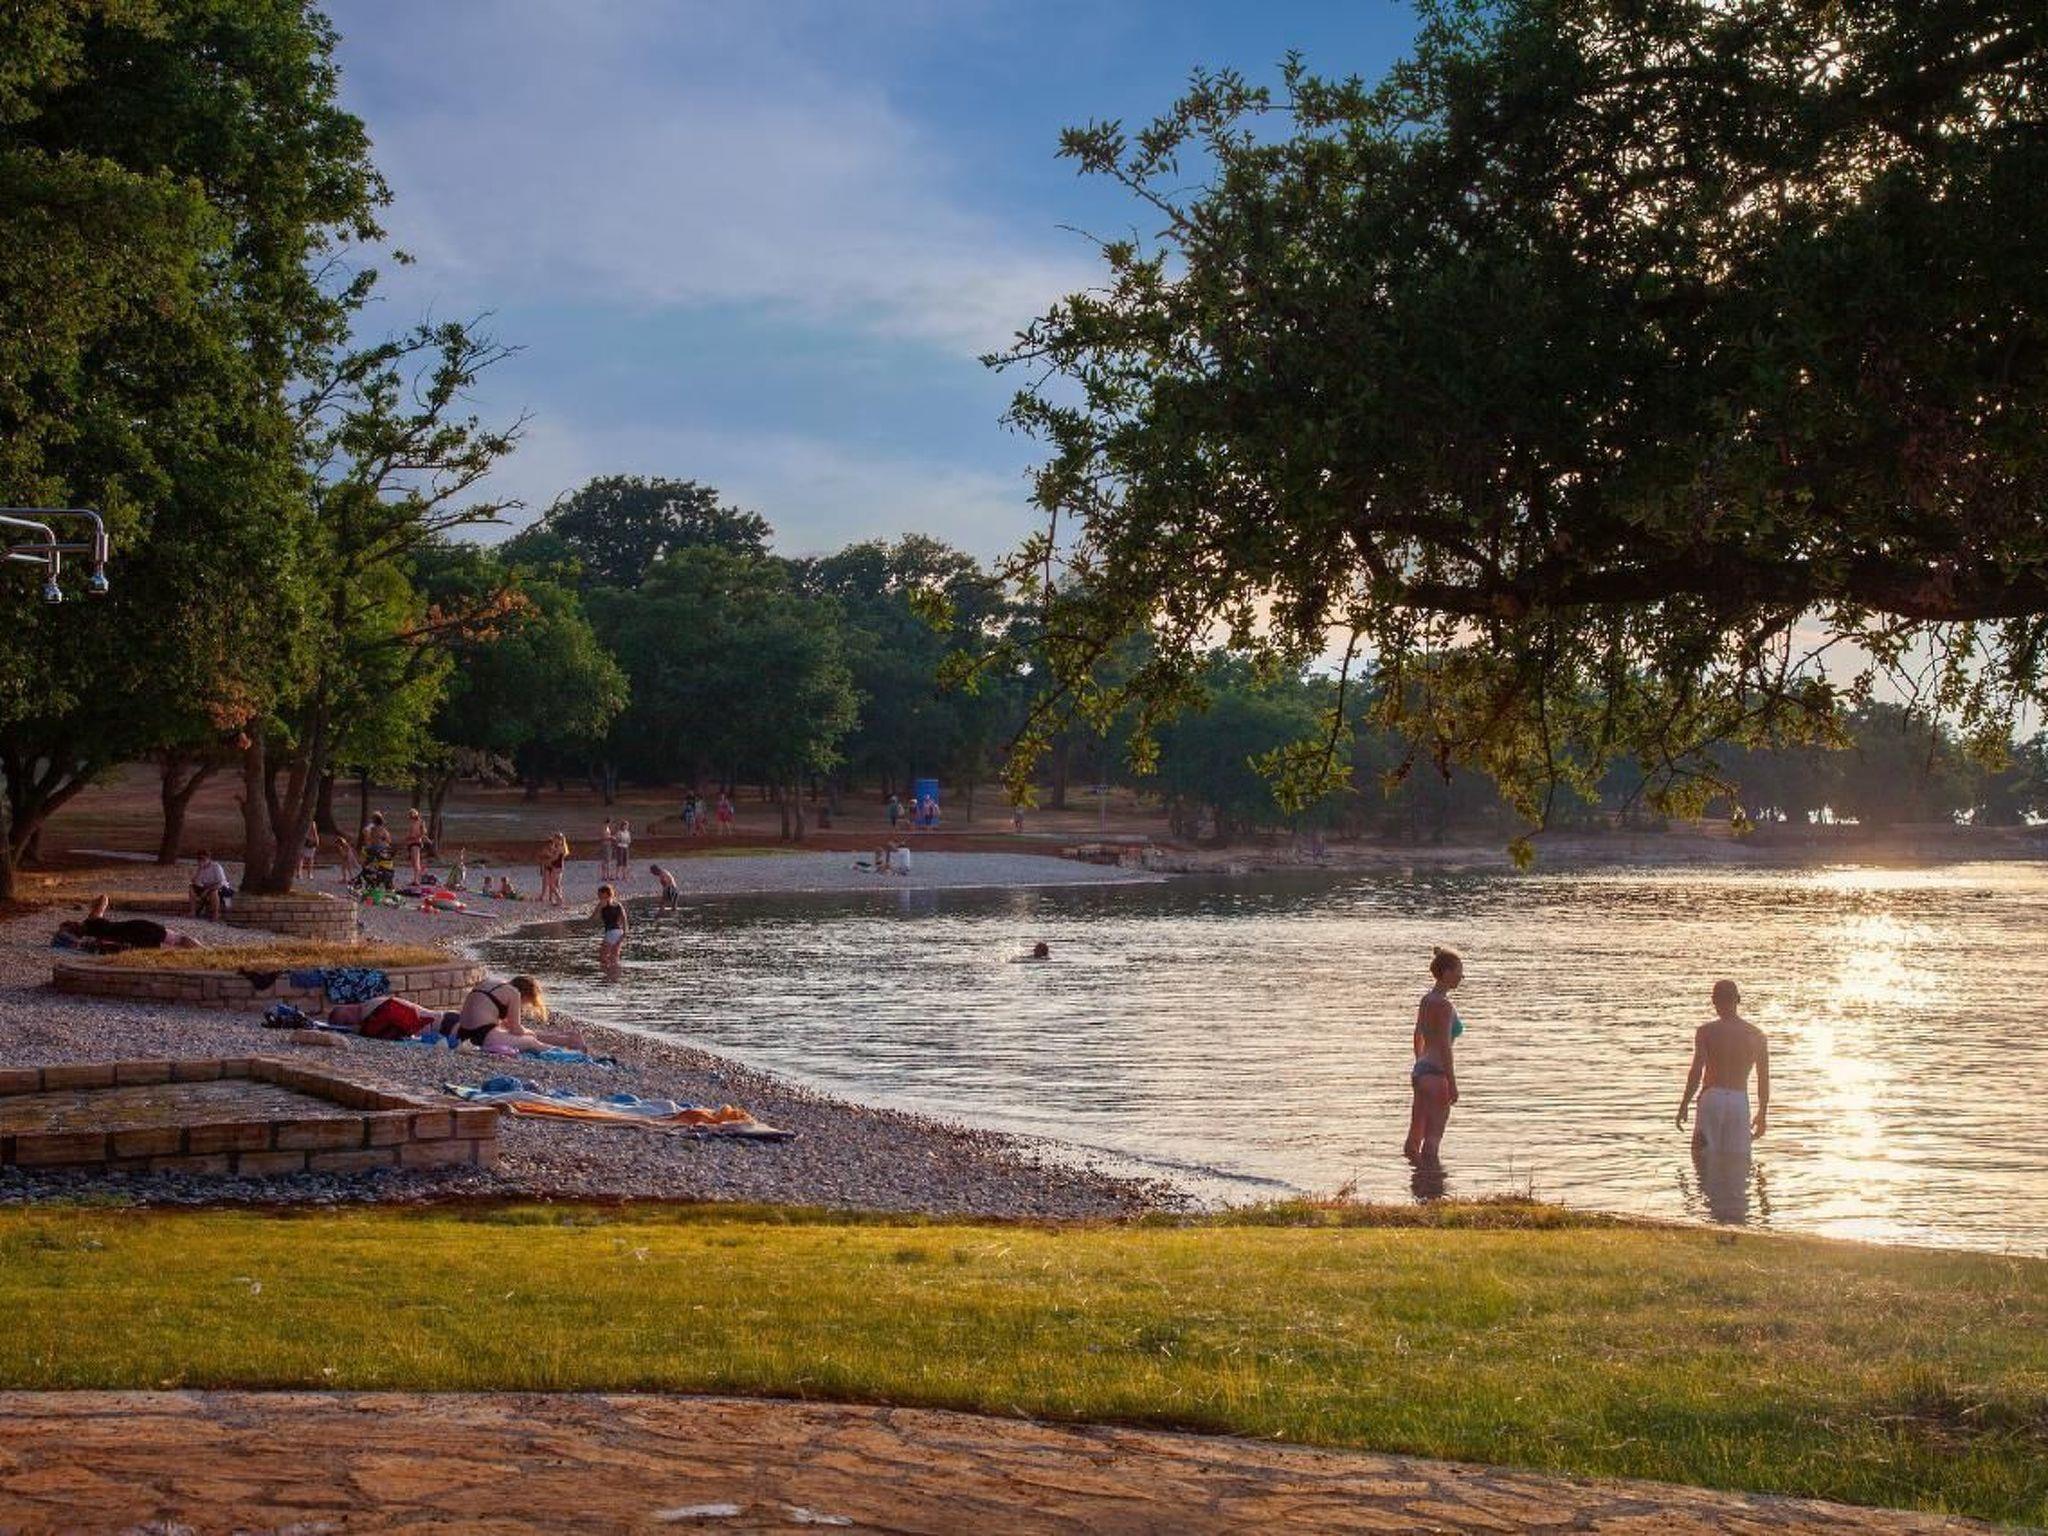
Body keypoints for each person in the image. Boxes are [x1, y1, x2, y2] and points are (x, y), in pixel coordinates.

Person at [1677, 979, 1771, 1158]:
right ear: (1738, 999)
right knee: (1739, 1162)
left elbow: (1696, 1070)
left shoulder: (1705, 1032)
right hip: (1738, 1100)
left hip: (1711, 1098)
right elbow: (1763, 1077)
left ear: (1714, 1001)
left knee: (1702, 1158)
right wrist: (1762, 1112)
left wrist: (1684, 1103)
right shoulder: (1757, 1035)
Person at [1403, 946, 1464, 1165]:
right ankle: (1431, 1182)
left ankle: (1415, 1178)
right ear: (1446, 973)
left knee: (1415, 1135)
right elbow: (1445, 1047)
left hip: (1421, 1072)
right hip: (1437, 1075)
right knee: (1433, 1138)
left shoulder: (1426, 1000)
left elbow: (1417, 1035)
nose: (1461, 977)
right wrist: (1452, 1083)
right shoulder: (1445, 1006)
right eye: (1459, 972)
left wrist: (1419, 1062)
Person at [452, 975, 587, 1054]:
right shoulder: (513, 993)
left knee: (527, 1034)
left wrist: (527, 1031)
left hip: (462, 1033)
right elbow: (516, 1030)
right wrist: (529, 1032)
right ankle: (570, 1054)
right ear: (525, 995)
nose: (522, 1007)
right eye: (525, 1003)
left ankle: (568, 1040)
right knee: (532, 1042)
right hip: (482, 1036)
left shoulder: (491, 983)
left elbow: (507, 1026)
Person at [61, 895, 203, 951]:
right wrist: (92, 904)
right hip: (134, 929)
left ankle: (202, 952)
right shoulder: (91, 920)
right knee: (176, 940)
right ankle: (204, 951)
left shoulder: (89, 934)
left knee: (173, 943)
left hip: (132, 936)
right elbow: (104, 898)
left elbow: (104, 899)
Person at [189, 850, 231, 921]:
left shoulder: (216, 867)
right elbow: (196, 881)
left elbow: (220, 882)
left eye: (203, 859)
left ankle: (215, 914)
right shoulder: (201, 868)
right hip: (207, 887)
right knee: (191, 888)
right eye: (199, 859)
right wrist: (197, 874)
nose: (201, 861)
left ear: (208, 858)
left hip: (221, 887)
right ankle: (192, 911)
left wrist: (207, 890)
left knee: (213, 892)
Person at [594, 882, 627, 969]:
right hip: (619, 932)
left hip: (610, 932)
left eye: (600, 894)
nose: (598, 896)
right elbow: (624, 919)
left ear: (605, 893)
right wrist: (625, 933)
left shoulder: (602, 904)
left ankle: (607, 973)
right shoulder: (618, 904)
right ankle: (615, 973)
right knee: (615, 956)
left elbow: (594, 917)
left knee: (602, 956)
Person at [404, 808, 427, 883]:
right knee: (413, 862)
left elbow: (423, 833)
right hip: (410, 843)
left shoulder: (421, 822)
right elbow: (409, 833)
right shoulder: (411, 823)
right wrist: (407, 838)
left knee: (416, 861)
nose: (410, 817)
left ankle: (417, 880)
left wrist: (415, 836)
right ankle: (415, 878)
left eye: (411, 815)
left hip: (416, 842)